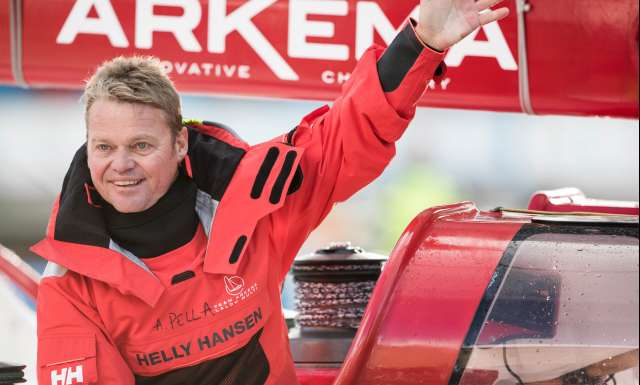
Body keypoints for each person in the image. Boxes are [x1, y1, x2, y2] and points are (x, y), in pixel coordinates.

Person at [33, 0, 509, 384]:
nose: (121, 165)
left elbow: (344, 139)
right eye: (104, 147)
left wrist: (419, 43)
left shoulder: (254, 201)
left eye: (141, 145)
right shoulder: (69, 282)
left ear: (179, 143)